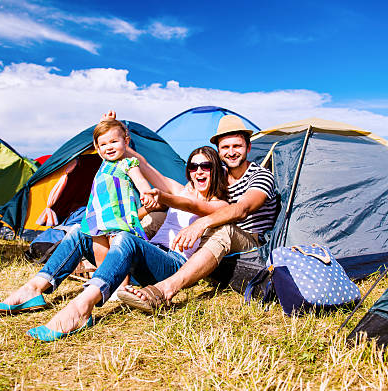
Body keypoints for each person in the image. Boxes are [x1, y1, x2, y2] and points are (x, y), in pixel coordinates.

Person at [0, 143, 229, 341]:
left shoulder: (220, 205)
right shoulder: (180, 189)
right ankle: (34, 289)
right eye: (193, 166)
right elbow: (144, 165)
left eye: (205, 166)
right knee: (81, 230)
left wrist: (160, 196)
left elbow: (193, 205)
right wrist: (120, 140)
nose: (198, 171)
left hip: (171, 265)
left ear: (215, 169)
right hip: (149, 254)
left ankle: (81, 309)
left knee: (126, 239)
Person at [118, 114, 278, 310]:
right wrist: (119, 141)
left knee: (224, 228)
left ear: (248, 147)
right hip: (214, 233)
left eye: (237, 146)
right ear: (218, 152)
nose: (231, 152)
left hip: (250, 240)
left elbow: (242, 209)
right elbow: (181, 195)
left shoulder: (260, 176)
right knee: (159, 216)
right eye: (225, 147)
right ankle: (122, 261)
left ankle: (164, 290)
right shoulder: (217, 174)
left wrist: (201, 223)